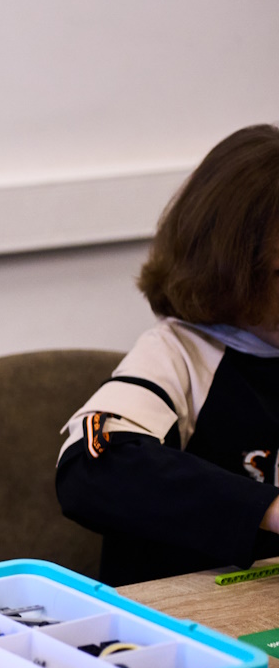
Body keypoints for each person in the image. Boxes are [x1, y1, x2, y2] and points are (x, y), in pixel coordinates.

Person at [56, 124, 279, 587]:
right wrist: (269, 509)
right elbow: (93, 466)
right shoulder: (180, 353)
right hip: (190, 609)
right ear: (233, 269)